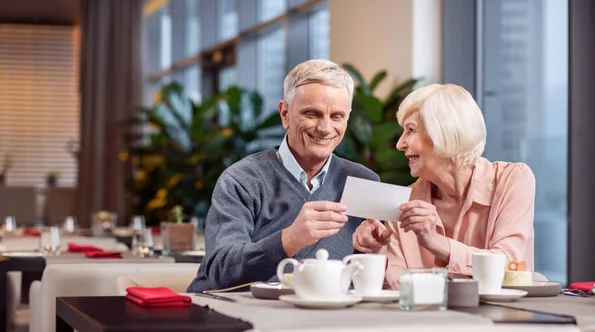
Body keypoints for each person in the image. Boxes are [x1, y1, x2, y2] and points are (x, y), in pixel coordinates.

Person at [188, 59, 379, 292]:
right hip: (233, 312)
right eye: (312, 114)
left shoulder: (364, 181)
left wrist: (378, 249)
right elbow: (221, 270)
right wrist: (289, 240)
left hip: (320, 318)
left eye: (337, 116)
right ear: (285, 114)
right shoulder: (242, 179)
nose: (325, 128)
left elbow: (363, 278)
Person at [353, 83, 535, 288]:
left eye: (410, 130)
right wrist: (378, 251)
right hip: (430, 319)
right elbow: (398, 291)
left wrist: (434, 242)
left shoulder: (512, 180)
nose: (400, 144)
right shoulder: (405, 202)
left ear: (445, 132)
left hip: (505, 317)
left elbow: (507, 263)